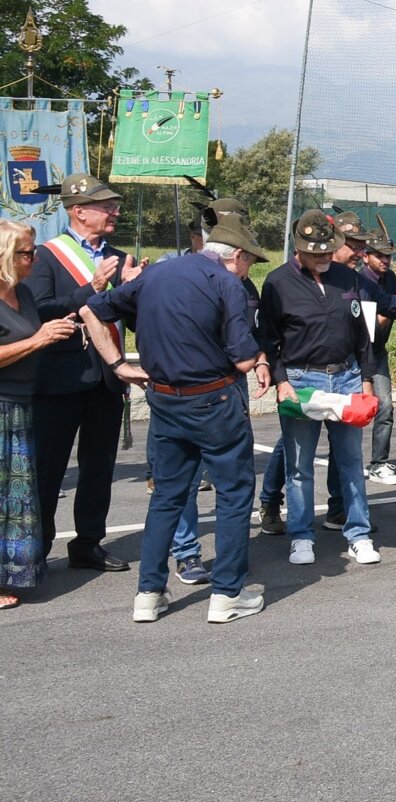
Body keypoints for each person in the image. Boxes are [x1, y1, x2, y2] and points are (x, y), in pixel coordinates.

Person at [88, 215, 269, 623]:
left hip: (165, 400)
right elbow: (241, 360)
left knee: (168, 496)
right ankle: (227, 594)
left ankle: (149, 593)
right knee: (235, 493)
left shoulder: (160, 273)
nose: (249, 271)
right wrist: (258, 356)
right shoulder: (227, 284)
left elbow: (92, 308)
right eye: (250, 262)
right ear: (235, 255)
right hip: (214, 400)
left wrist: (118, 363)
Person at [258, 210, 396, 567]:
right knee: (299, 466)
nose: (324, 258)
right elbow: (269, 339)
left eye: (328, 251)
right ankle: (301, 536)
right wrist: (282, 382)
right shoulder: (276, 283)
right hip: (301, 381)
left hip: (347, 378)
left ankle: (358, 533)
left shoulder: (348, 278)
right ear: (298, 250)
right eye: (316, 253)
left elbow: (362, 336)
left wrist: (367, 380)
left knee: (351, 462)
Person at [25, 174, 144, 574]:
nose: (115, 211)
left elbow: (127, 318)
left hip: (106, 379)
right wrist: (89, 288)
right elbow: (38, 311)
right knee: (48, 469)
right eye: (106, 206)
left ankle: (88, 543)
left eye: (114, 205)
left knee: (98, 468)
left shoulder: (120, 256)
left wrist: (132, 290)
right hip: (58, 379)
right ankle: (36, 551)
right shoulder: (45, 256)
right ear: (79, 211)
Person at [0, 221, 84, 608]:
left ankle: (10, 574)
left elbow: (32, 337)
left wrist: (52, 331)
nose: (33, 259)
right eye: (25, 253)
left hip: (20, 405)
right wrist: (37, 340)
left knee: (13, 500)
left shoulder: (24, 294)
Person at [360, 235, 396, 486]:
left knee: (385, 407)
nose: (385, 260)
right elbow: (370, 328)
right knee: (354, 412)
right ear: (366, 257)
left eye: (388, 256)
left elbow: (395, 301)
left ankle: (378, 463)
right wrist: (390, 309)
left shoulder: (389, 279)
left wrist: (391, 307)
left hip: (378, 353)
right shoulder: (362, 282)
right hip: (359, 354)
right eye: (380, 255)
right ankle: (350, 462)